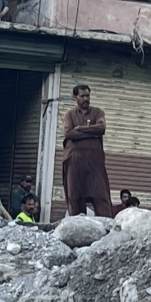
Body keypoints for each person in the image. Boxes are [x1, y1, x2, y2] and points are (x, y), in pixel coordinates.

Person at [62, 84, 111, 216]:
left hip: (95, 162)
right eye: (82, 96)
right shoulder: (70, 115)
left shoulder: (97, 112)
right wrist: (92, 133)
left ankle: (107, 227)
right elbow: (68, 134)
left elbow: (101, 128)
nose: (86, 99)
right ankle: (76, 228)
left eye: (87, 95)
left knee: (101, 196)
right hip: (75, 161)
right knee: (75, 196)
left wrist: (80, 128)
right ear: (75, 97)